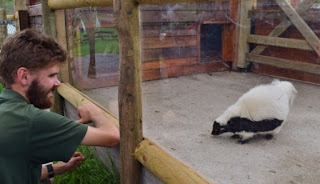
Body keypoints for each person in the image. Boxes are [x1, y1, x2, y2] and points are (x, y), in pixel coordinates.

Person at [0, 28, 120, 184]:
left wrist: (56, 169)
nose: (58, 83)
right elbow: (111, 137)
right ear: (24, 76)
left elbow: (17, 171)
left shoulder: (7, 110)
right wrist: (95, 112)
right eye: (51, 75)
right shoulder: (31, 120)